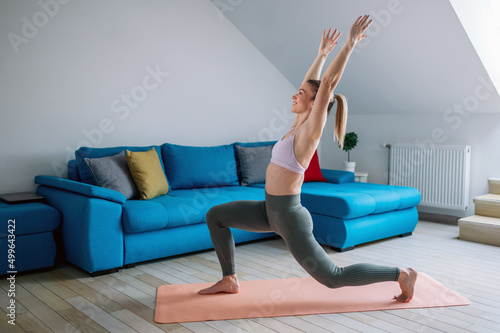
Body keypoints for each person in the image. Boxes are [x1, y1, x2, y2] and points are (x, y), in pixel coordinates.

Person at [198, 15, 417, 303]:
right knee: (216, 216)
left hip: (289, 217)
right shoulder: (295, 125)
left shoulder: (310, 132)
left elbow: (326, 83)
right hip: (269, 210)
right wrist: (321, 54)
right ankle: (229, 279)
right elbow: (312, 82)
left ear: (316, 104)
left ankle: (401, 274)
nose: (294, 94)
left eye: (300, 94)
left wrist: (349, 44)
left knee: (333, 277)